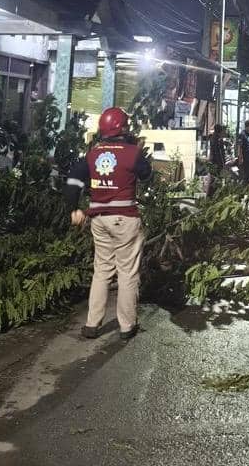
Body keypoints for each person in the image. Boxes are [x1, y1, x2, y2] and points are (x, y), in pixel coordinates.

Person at [66, 107, 151, 341]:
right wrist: (137, 151)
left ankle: (92, 324)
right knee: (127, 273)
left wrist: (73, 208)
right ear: (123, 128)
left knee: (102, 271)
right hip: (125, 219)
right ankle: (126, 326)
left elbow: (73, 180)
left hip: (98, 219)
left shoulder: (93, 154)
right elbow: (147, 175)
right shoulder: (132, 153)